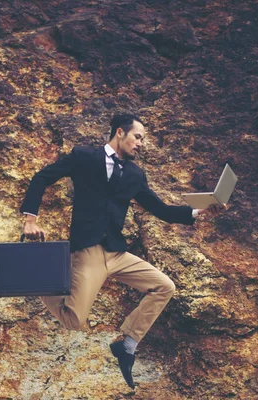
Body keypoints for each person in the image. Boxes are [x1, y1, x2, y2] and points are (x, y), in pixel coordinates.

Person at [20, 113, 225, 389]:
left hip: (117, 252)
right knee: (74, 320)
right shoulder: (84, 157)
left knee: (164, 286)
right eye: (138, 137)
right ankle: (38, 283)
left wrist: (199, 211)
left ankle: (127, 344)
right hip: (88, 251)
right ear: (120, 132)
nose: (142, 144)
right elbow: (41, 178)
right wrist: (30, 219)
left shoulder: (135, 174)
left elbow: (160, 210)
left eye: (144, 139)